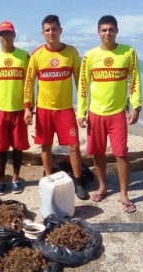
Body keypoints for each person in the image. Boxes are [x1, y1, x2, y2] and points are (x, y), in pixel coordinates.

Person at [77, 15, 143, 213]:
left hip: (117, 113)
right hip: (96, 113)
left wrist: (136, 106)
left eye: (111, 29)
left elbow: (135, 81)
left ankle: (124, 193)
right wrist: (81, 112)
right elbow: (83, 86)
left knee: (121, 153)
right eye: (104, 29)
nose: (107, 33)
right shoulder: (89, 56)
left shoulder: (128, 52)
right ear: (98, 32)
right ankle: (103, 186)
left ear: (117, 31)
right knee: (98, 153)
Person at [24, 15, 89, 200]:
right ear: (42, 33)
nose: (51, 32)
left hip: (66, 109)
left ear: (60, 30)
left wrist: (83, 109)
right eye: (47, 30)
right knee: (45, 146)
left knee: (74, 147)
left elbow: (81, 83)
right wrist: (28, 107)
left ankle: (78, 182)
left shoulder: (71, 53)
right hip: (44, 110)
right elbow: (28, 83)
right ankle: (49, 179)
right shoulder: (36, 54)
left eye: (54, 29)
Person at [0, 21, 30, 195]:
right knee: (1, 148)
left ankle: (16, 178)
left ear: (14, 35)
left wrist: (28, 107)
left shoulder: (24, 56)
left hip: (19, 110)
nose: (5, 37)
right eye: (2, 34)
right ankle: (1, 179)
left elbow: (29, 84)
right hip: (0, 110)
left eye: (8, 33)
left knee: (18, 147)